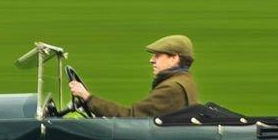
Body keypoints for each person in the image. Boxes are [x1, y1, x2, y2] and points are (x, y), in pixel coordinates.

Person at [69, 35, 200, 118]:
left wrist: (88, 98)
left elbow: (130, 117)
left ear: (174, 58)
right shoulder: (185, 81)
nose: (152, 60)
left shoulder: (172, 88)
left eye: (157, 55)